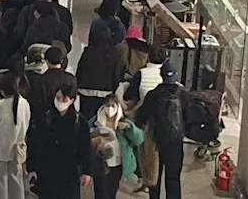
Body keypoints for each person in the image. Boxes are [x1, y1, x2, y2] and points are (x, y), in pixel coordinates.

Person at [29, 83, 92, 199]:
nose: (60, 102)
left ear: (72, 101)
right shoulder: (45, 118)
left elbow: (86, 148)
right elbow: (34, 144)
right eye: (58, 98)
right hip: (47, 171)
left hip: (70, 173)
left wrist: (86, 171)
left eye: (64, 99)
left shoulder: (80, 122)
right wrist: (32, 168)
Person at [134, 68, 186, 199]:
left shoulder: (153, 94)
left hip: (155, 143)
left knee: (154, 178)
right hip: (175, 144)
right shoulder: (182, 94)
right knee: (173, 179)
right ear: (176, 74)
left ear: (161, 75)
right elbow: (188, 118)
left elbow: (141, 117)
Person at [88, 95, 144, 199]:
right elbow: (85, 137)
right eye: (107, 105)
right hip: (100, 163)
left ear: (117, 107)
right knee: (101, 192)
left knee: (111, 192)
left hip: (117, 165)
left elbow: (139, 140)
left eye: (112, 106)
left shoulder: (124, 122)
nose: (109, 109)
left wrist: (129, 128)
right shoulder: (95, 121)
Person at [0, 74, 31, 199]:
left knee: (0, 182)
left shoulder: (0, 106)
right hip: (17, 149)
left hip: (0, 149)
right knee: (16, 180)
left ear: (2, 91)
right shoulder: (24, 103)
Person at [77, 25, 126, 116]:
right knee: (101, 117)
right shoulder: (114, 54)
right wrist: (114, 90)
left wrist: (78, 85)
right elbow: (116, 75)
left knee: (85, 117)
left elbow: (80, 70)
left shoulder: (88, 52)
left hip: (86, 91)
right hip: (105, 92)